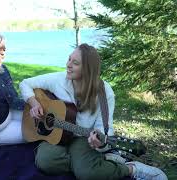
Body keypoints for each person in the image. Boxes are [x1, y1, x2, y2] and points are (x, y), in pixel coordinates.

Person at [19, 44, 167, 180]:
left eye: (75, 63)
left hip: (82, 137)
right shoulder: (59, 79)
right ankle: (93, 163)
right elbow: (25, 83)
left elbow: (105, 128)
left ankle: (131, 169)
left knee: (87, 174)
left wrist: (100, 143)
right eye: (69, 59)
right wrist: (34, 103)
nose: (68, 65)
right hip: (57, 133)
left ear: (87, 69)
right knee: (45, 163)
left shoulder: (104, 93)